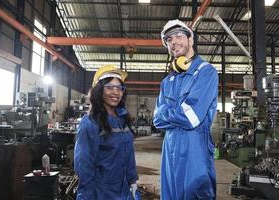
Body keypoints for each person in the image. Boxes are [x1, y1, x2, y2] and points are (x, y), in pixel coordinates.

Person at [153, 19, 218, 200]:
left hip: (195, 149)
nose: (174, 42)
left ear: (191, 40)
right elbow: (156, 120)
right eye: (169, 40)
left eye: (179, 36)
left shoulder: (206, 72)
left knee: (195, 195)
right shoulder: (167, 81)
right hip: (169, 148)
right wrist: (175, 114)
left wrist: (167, 113)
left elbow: (191, 118)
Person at [74, 65, 139, 200]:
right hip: (102, 193)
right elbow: (84, 164)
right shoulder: (90, 123)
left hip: (125, 191)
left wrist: (133, 182)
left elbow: (128, 155)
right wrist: (86, 195)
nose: (116, 92)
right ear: (99, 90)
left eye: (119, 88)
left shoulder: (122, 120)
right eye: (110, 87)